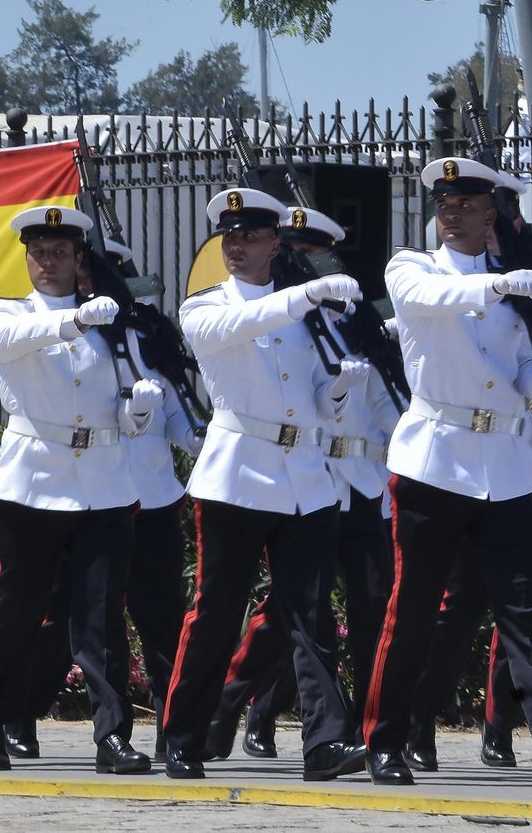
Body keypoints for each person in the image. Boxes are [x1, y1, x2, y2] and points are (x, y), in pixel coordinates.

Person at [362, 157, 532, 789]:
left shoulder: (520, 282)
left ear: (493, 216)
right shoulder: (414, 268)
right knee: (414, 611)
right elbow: (429, 301)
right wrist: (502, 287)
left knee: (525, 613)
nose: (453, 213)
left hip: (506, 467)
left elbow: (514, 370)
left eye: (468, 204)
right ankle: (385, 740)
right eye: (445, 204)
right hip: (434, 460)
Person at [160, 187, 370, 783]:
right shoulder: (205, 307)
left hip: (304, 477)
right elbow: (238, 324)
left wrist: (335, 392)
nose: (237, 247)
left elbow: (315, 405)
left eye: (251, 236)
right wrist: (303, 296)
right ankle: (183, 736)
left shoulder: (312, 316)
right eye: (230, 237)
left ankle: (325, 742)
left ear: (274, 244)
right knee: (214, 614)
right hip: (236, 476)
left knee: (310, 616)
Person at [204, 205, 401, 761]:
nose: (304, 263)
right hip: (310, 477)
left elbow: (388, 397)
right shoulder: (286, 314)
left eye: (314, 254)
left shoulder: (354, 318)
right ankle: (239, 710)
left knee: (368, 608)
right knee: (291, 616)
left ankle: (367, 730)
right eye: (295, 251)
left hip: (358, 483)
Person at [0, 206, 160, 774]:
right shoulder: (5, 313)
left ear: (80, 258)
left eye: (60, 252)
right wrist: (75, 322)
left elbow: (115, 406)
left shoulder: (114, 324)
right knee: (20, 610)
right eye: (39, 252)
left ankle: (112, 737)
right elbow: (8, 342)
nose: (48, 261)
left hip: (103, 482)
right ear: (27, 258)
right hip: (33, 483)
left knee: (101, 614)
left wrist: (139, 415)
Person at [4, 237, 200, 763]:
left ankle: (172, 729)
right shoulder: (72, 335)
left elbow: (177, 404)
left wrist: (197, 438)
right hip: (89, 495)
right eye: (83, 270)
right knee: (62, 620)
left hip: (151, 495)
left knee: (161, 622)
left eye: (99, 273)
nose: (87, 283)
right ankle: (19, 715)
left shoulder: (146, 334)